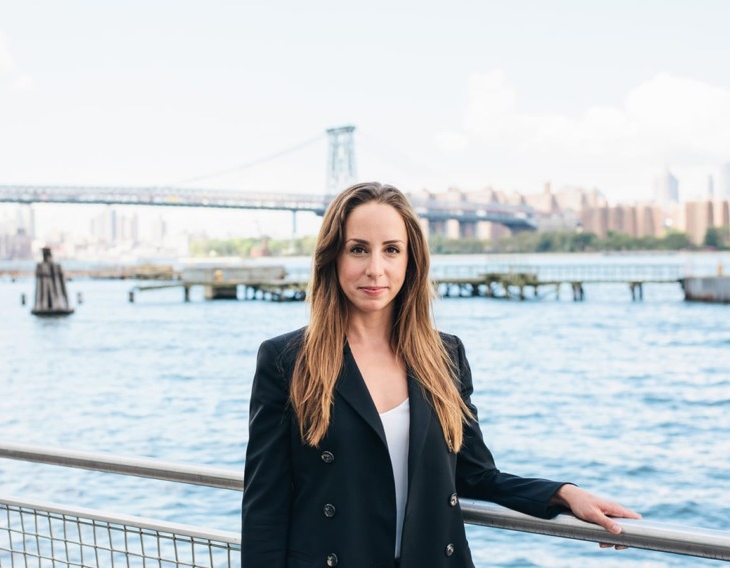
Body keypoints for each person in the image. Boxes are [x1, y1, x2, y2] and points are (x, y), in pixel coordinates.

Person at [242, 182, 639, 567]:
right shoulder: (286, 361)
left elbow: (476, 475)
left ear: (411, 260)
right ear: (333, 258)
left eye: (392, 250)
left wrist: (562, 495)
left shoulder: (444, 355)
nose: (375, 269)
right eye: (358, 249)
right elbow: (265, 509)